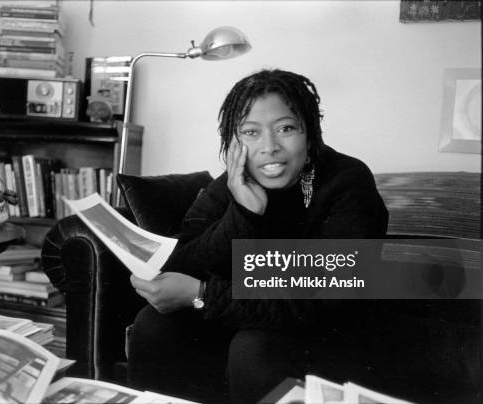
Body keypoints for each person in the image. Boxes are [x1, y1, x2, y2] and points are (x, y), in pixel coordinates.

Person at [126, 69, 459, 404]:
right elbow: (182, 260)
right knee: (155, 324)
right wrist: (242, 215)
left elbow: (316, 300)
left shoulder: (348, 182)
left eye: (285, 128)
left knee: (255, 347)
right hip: (247, 315)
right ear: (234, 141)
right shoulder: (234, 181)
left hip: (331, 330)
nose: (269, 147)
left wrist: (201, 294)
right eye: (251, 132)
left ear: (309, 133)